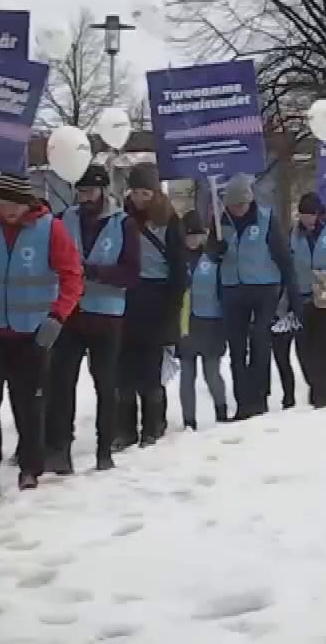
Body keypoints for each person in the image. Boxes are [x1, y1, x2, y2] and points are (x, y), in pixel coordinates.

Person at [0, 171, 82, 495]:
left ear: (27, 201)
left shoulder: (50, 229)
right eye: (2, 201)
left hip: (33, 331)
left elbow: (72, 277)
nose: (8, 209)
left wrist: (57, 316)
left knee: (29, 404)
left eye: (14, 203)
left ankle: (30, 466)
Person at [48, 165, 138, 473]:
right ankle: (61, 449)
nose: (84, 197)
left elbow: (131, 273)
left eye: (89, 191)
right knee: (62, 385)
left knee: (105, 383)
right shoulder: (63, 220)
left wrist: (94, 271)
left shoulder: (123, 224)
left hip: (106, 317)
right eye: (80, 191)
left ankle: (104, 449)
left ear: (103, 191)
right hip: (71, 314)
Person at [214, 174, 298, 419]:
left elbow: (283, 257)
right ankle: (243, 402)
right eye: (232, 206)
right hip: (233, 288)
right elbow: (210, 254)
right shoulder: (221, 221)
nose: (237, 210)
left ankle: (259, 399)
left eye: (241, 205)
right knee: (237, 349)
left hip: (264, 288)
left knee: (260, 342)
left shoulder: (266, 218)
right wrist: (215, 251)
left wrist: (291, 294)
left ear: (249, 201)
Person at [118, 164, 186, 449]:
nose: (139, 198)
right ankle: (124, 428)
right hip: (127, 297)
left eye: (145, 192)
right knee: (124, 370)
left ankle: (153, 424)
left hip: (157, 297)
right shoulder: (121, 219)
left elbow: (178, 269)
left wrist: (171, 309)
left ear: (155, 192)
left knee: (150, 369)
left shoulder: (169, 221)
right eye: (135, 192)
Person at [289, 194, 326, 409]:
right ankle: (314, 384)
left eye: (310, 215)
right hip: (304, 293)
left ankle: (321, 395)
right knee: (304, 347)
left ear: (318, 213)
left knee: (322, 342)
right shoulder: (294, 234)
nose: (307, 220)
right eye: (303, 215)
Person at [175, 211, 230, 429]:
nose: (193, 240)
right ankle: (189, 420)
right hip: (186, 323)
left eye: (197, 235)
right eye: (189, 236)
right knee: (187, 374)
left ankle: (222, 410)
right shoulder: (178, 259)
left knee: (212, 373)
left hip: (212, 322)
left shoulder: (213, 256)